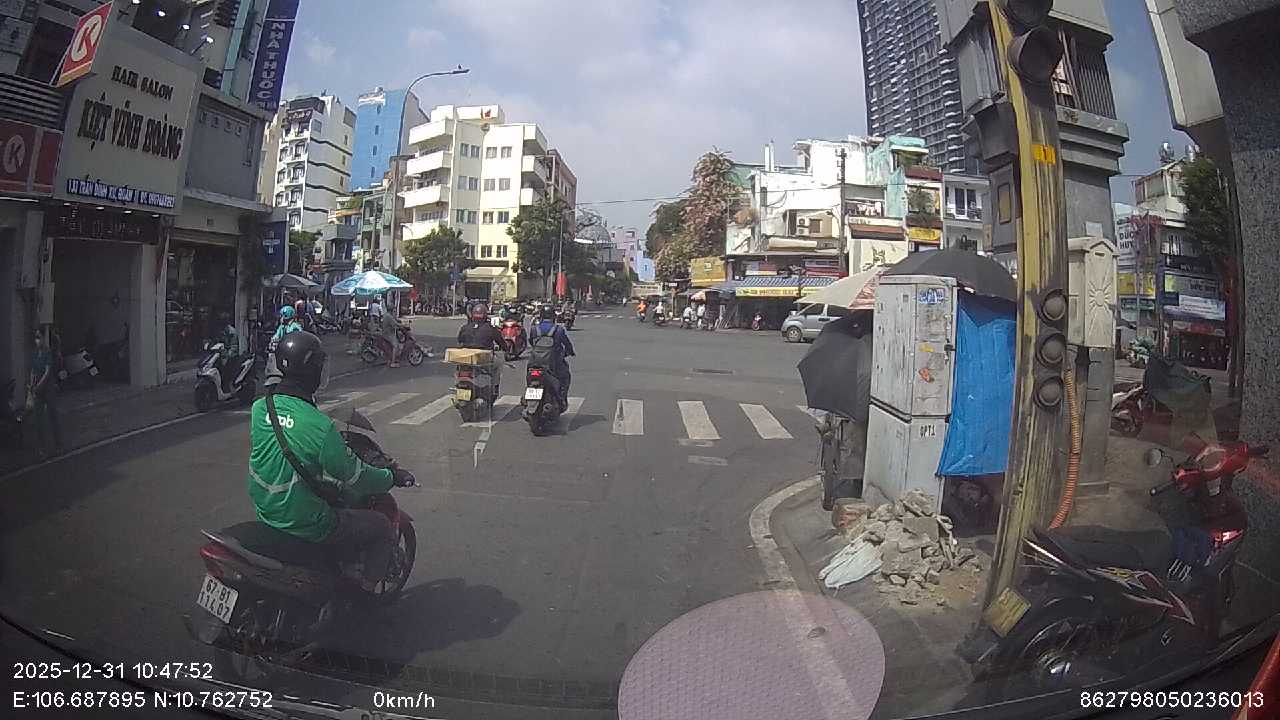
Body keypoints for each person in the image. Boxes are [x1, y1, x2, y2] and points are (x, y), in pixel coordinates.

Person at [248, 331, 415, 592]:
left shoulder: (260, 408)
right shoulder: (320, 427)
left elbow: (288, 453)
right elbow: (357, 476)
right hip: (305, 521)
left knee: (332, 490)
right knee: (382, 527)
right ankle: (364, 593)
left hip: (266, 509)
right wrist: (391, 476)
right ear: (312, 371)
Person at [25, 329, 62, 459]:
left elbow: (47, 371)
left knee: (52, 416)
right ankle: (42, 448)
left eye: (39, 337)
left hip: (48, 389)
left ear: (43, 338)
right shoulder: (35, 353)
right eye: (36, 337)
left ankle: (58, 444)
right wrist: (31, 385)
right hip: (38, 390)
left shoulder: (47, 352)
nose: (37, 340)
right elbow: (33, 371)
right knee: (38, 419)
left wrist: (39, 385)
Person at [529, 305, 575, 405]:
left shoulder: (534, 329)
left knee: (530, 375)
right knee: (565, 377)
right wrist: (570, 352)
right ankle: (561, 399)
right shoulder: (558, 329)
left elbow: (531, 342)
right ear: (554, 317)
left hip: (534, 362)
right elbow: (567, 344)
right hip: (553, 363)